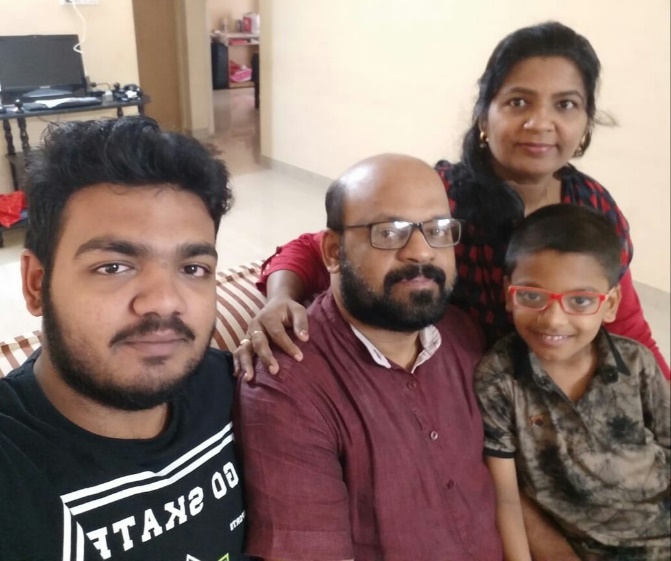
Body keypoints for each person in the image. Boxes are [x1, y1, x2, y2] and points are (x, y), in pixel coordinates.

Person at [233, 21, 669, 385]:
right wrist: (280, 298)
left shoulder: (593, 208)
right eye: (518, 102)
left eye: (566, 104)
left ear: (586, 122)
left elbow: (627, 325)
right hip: (463, 396)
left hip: (561, 394)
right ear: (484, 116)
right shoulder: (440, 197)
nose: (540, 123)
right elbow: (314, 250)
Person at [0, 117, 247, 560]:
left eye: (193, 268)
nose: (165, 301)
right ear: (37, 284)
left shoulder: (240, 389)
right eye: (113, 266)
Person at [234, 154, 502, 560]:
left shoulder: (462, 334)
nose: (422, 252)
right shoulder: (285, 385)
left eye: (438, 230)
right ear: (333, 251)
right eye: (389, 232)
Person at [475, 204, 670, 561]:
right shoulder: (499, 380)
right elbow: (505, 496)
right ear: (508, 294)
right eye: (531, 296)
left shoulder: (636, 362)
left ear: (611, 304)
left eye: (580, 300)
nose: (553, 320)